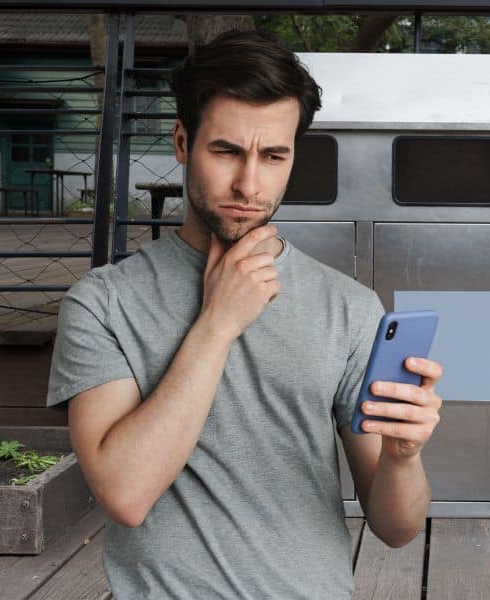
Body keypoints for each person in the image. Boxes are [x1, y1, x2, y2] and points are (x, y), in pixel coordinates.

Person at [47, 30, 444, 599]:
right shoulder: (103, 302)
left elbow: (397, 528)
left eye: (273, 156)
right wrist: (217, 322)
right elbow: (125, 494)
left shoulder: (350, 308)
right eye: (226, 151)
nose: (248, 184)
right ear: (182, 142)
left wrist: (405, 457)